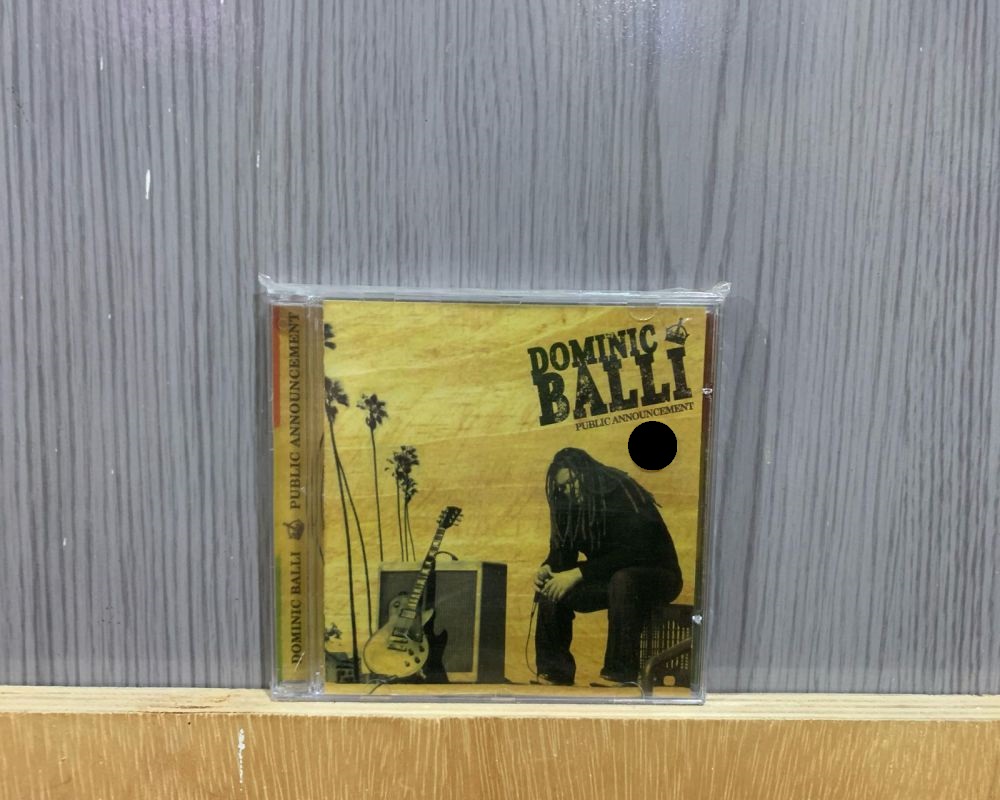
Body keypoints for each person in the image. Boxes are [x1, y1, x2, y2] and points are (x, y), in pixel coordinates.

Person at [534, 447, 682, 686]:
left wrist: (580, 573)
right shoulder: (569, 504)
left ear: (587, 473)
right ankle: (554, 671)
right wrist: (548, 568)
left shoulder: (619, 489)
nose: (569, 490)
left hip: (657, 575)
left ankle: (620, 673)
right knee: (552, 585)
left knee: (623, 579)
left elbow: (637, 551)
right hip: (610, 578)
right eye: (563, 487)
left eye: (573, 481)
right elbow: (563, 554)